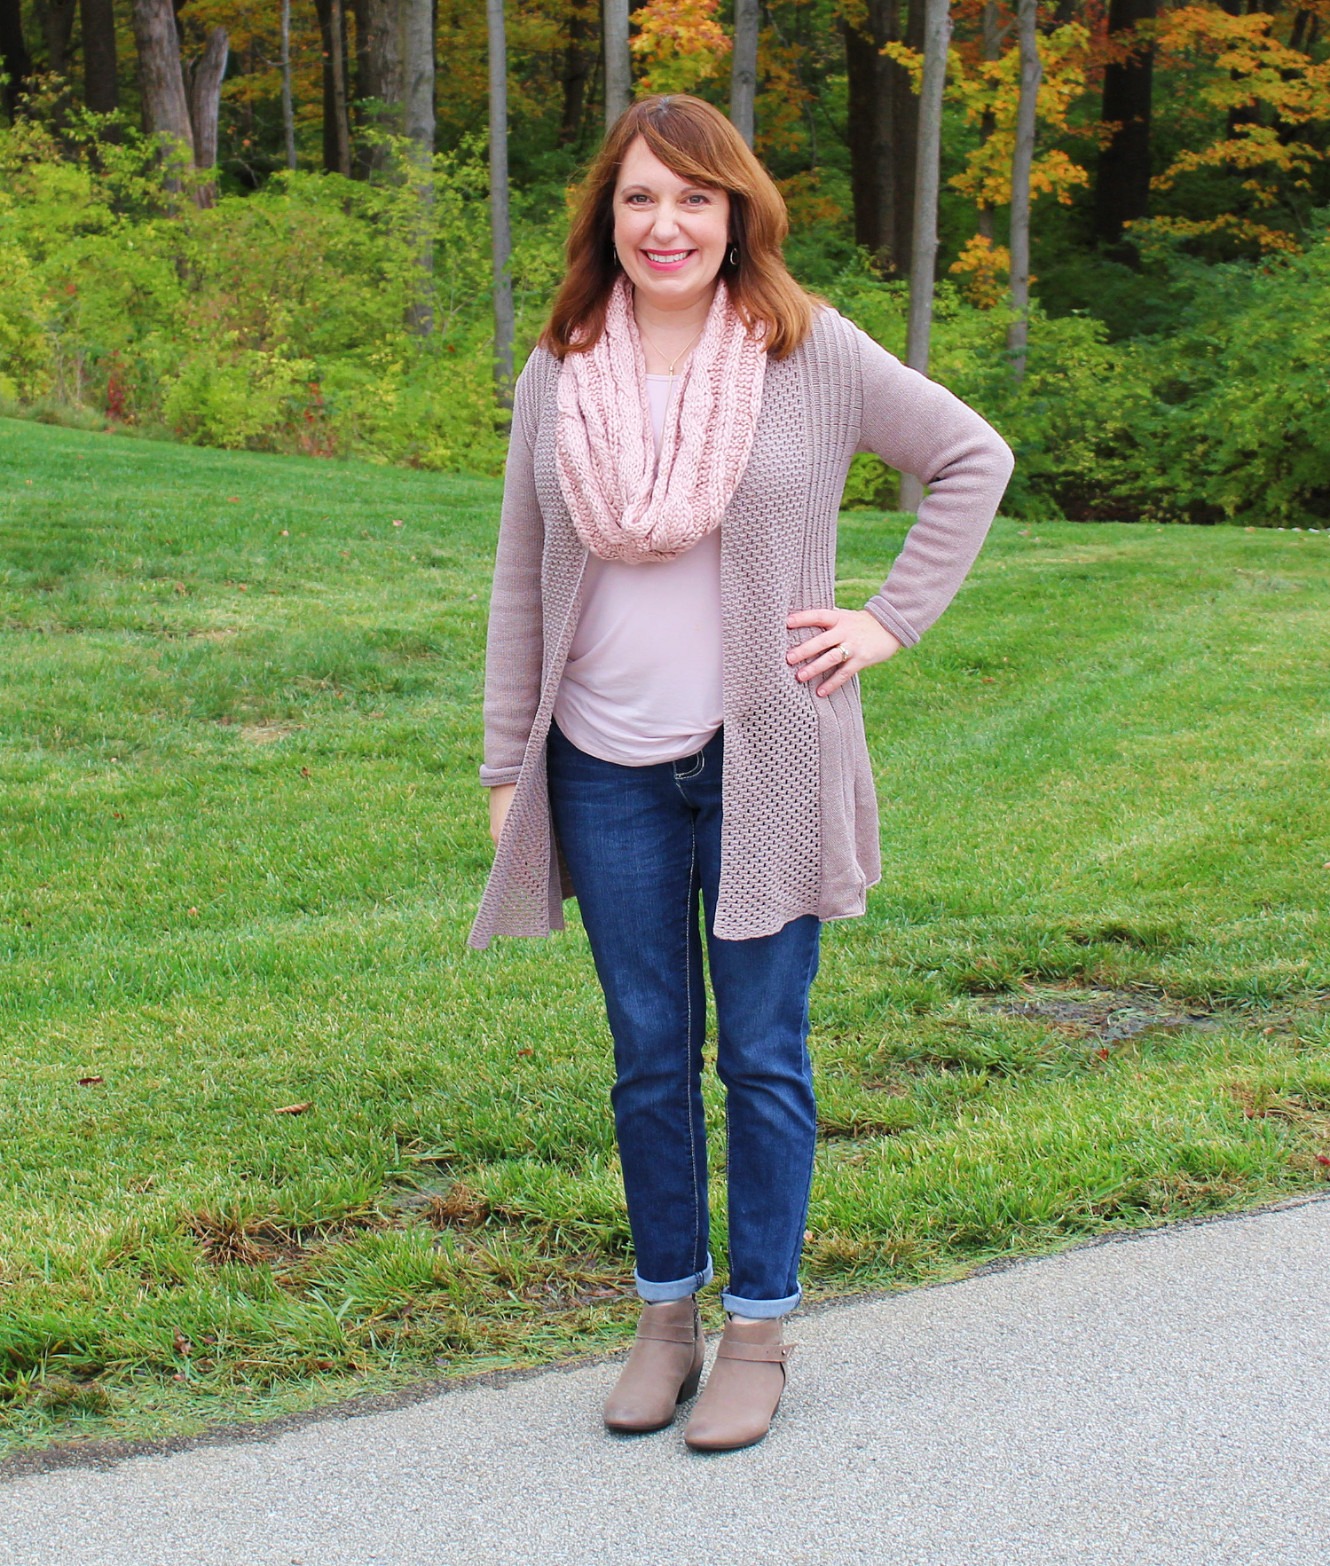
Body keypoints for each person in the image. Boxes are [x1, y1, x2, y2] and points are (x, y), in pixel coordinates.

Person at [469, 93, 1014, 1453]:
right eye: (641, 198)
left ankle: (757, 1328)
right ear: (608, 214)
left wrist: (885, 619)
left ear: (737, 215)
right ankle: (665, 1317)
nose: (666, 225)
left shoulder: (805, 351)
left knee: (762, 1056)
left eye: (695, 199)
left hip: (759, 754)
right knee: (649, 1058)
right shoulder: (559, 366)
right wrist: (503, 762)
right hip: (598, 763)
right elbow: (520, 581)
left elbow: (967, 456)